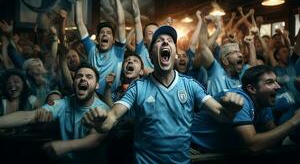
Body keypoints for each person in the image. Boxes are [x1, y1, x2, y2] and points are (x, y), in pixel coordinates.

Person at [83, 25, 244, 164]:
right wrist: (101, 122)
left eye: (170, 41)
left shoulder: (190, 85)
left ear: (174, 54)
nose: (166, 41)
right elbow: (111, 118)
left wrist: (232, 109)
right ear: (151, 55)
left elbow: (222, 115)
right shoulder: (138, 87)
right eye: (159, 40)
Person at [0, 63, 110, 163]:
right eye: (79, 76)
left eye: (89, 76)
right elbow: (28, 116)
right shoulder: (63, 104)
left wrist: (66, 146)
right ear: (74, 83)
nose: (83, 79)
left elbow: (95, 139)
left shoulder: (103, 109)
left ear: (96, 85)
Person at [191, 65, 300, 153]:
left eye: (276, 81)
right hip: (194, 150)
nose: (278, 87)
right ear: (252, 89)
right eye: (270, 82)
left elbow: (273, 137)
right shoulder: (239, 100)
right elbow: (253, 144)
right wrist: (294, 121)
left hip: (217, 152)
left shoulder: (262, 102)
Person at [76, 0, 126, 95]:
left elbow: (121, 23)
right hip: (90, 97)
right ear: (97, 38)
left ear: (113, 40)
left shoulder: (118, 51)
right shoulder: (91, 49)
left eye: (108, 33)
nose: (104, 34)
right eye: (102, 33)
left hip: (111, 99)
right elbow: (79, 23)